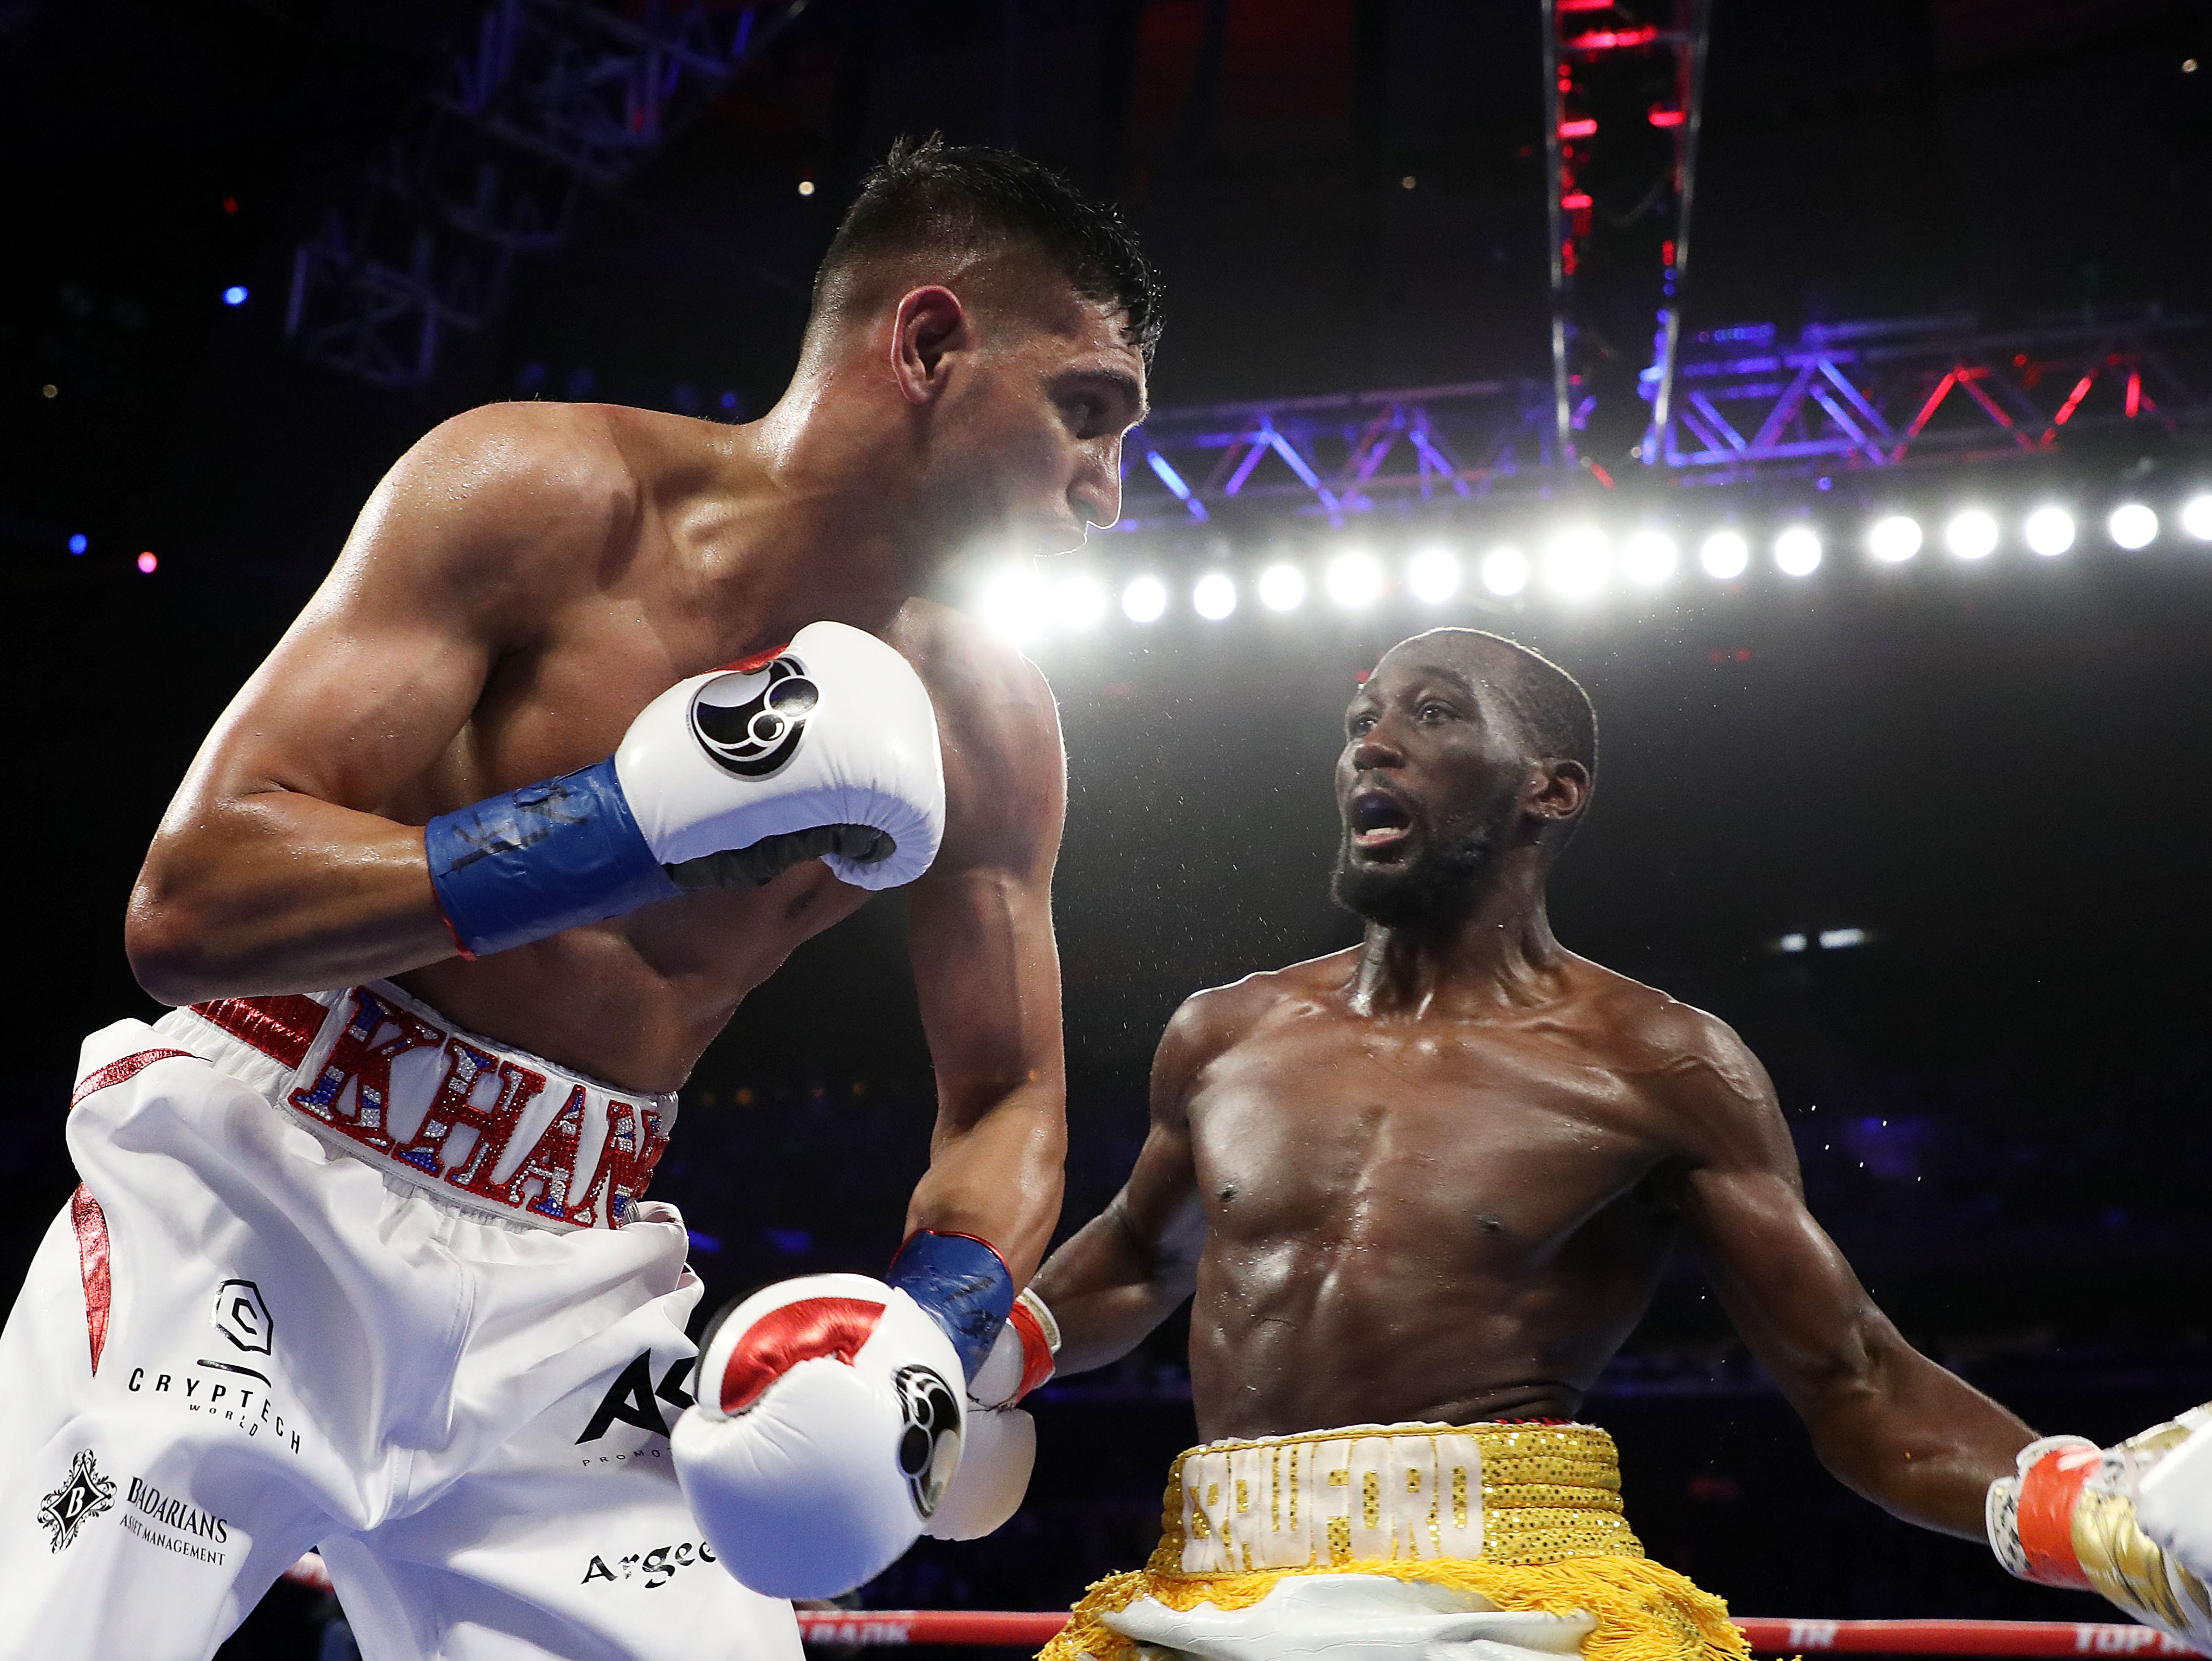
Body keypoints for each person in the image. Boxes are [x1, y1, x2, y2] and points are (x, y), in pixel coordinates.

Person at [0, 138, 1155, 1660]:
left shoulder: (990, 722)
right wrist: (615, 831)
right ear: (930, 342)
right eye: (1087, 414)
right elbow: (189, 904)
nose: (1111, 489)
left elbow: (1010, 1098)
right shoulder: (541, 495)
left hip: (572, 1276)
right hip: (256, 1186)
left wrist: (923, 1337)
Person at [1016, 626, 2040, 1661]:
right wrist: (969, 1360)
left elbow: (1855, 1376)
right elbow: (1139, 1258)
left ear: (1550, 790)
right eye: (1360, 722)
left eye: (1433, 713)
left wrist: (2078, 1505)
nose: (1372, 743)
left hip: (1503, 1602)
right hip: (1210, 1590)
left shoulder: (1656, 1062)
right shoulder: (1225, 1032)